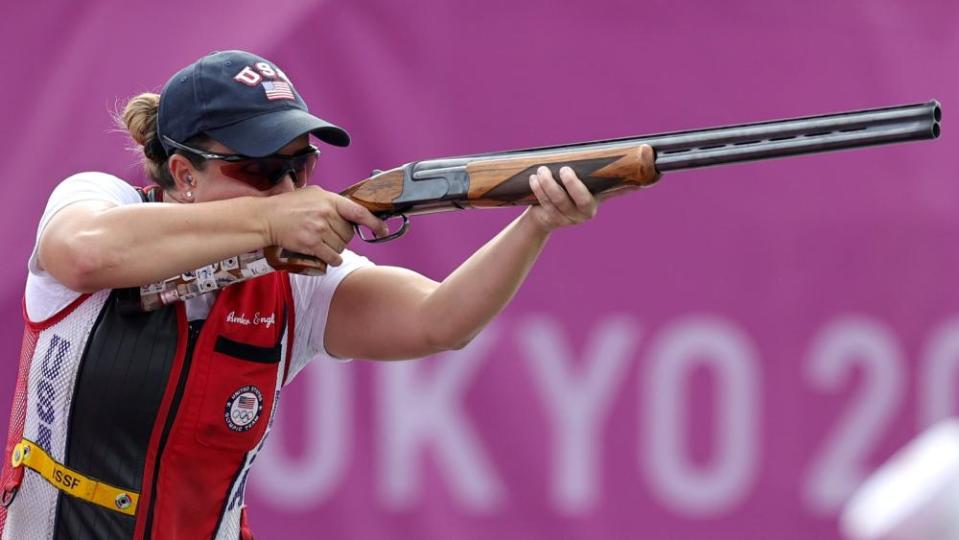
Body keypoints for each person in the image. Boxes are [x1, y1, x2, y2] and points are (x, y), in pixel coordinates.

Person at [0, 50, 603, 539]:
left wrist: (536, 223)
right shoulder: (98, 200)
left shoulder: (295, 279)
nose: (287, 189)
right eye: (261, 172)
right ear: (184, 175)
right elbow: (82, 254)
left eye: (300, 168)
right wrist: (270, 223)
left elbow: (439, 320)